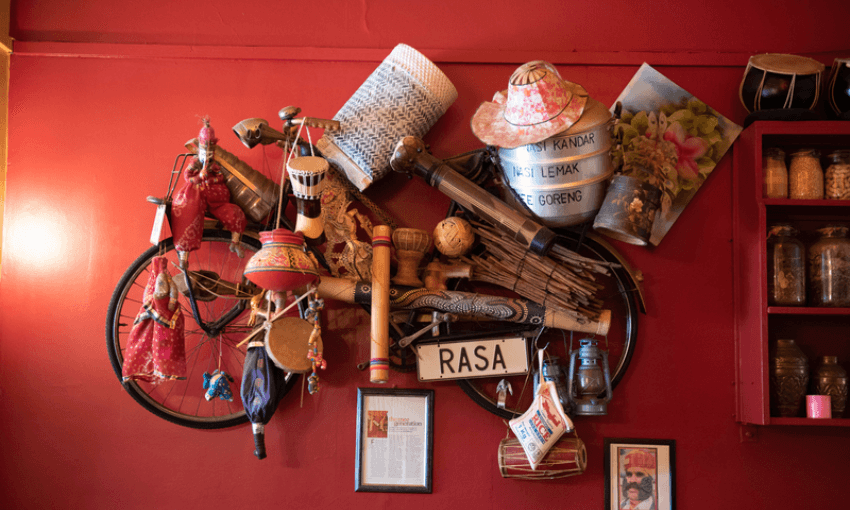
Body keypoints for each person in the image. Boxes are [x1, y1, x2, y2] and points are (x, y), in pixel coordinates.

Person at [171, 118, 247, 269]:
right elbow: (188, 177)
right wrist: (200, 177)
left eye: (210, 151)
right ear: (199, 150)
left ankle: (235, 242)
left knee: (235, 212)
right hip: (197, 195)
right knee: (188, 217)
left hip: (218, 200)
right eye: (205, 151)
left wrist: (212, 179)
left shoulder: (214, 166)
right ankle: (184, 256)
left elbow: (220, 177)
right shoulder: (195, 163)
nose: (207, 154)